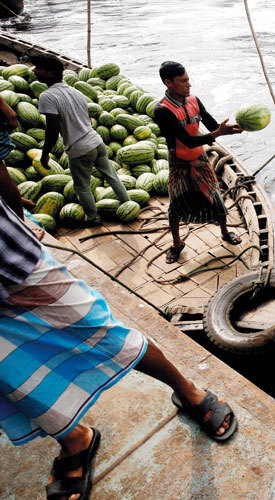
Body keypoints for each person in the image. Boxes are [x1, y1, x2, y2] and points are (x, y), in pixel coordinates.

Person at [0, 173, 237, 500]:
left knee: (102, 331)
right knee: (13, 377)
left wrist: (18, 220)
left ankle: (187, 389)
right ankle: (73, 439)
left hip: (12, 262)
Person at [153, 61, 243, 264]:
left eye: (188, 79)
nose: (189, 84)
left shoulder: (193, 100)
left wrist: (230, 128)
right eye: (183, 81)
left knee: (215, 197)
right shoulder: (162, 110)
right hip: (179, 162)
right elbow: (186, 140)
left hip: (199, 157)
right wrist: (216, 134)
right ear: (168, 82)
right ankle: (177, 244)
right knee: (176, 204)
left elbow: (211, 125)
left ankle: (225, 232)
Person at [32, 55, 132, 227]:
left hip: (79, 149)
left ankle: (92, 219)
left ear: (51, 73)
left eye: (39, 68)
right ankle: (129, 204)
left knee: (82, 187)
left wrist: (45, 154)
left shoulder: (47, 96)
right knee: (111, 175)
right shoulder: (76, 92)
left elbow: (52, 130)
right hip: (96, 141)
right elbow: (87, 119)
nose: (34, 71)